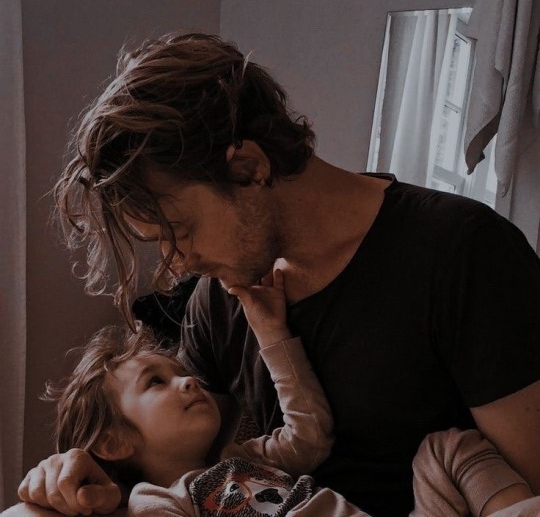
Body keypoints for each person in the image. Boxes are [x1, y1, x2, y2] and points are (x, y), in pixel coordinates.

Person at [17, 32, 540, 516]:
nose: (177, 265)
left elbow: (530, 486)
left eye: (181, 230)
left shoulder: (463, 252)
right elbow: (181, 466)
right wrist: (88, 474)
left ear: (248, 169)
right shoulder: (217, 299)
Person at [13, 271, 540, 517]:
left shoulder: (245, 456)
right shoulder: (158, 504)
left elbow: (310, 431)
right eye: (156, 382)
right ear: (113, 442)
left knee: (446, 447)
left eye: (178, 372)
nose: (188, 380)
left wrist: (270, 332)